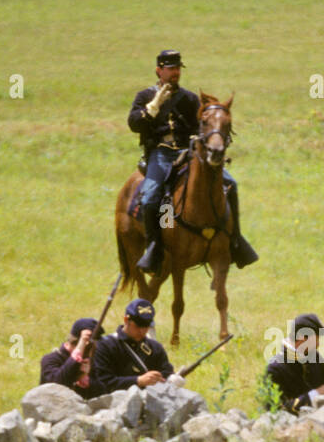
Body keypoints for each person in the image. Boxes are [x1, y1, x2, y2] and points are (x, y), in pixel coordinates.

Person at [128, 49, 257, 272]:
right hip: (160, 154)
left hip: (186, 153)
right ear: (159, 70)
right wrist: (154, 106)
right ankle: (155, 247)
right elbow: (134, 124)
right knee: (150, 197)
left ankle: (236, 240)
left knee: (231, 184)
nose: (175, 72)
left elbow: (198, 129)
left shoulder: (188, 98)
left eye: (177, 68)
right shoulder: (144, 97)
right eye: (170, 69)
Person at [264, 313, 324, 413]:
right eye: (316, 339)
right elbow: (277, 409)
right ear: (302, 338)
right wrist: (316, 394)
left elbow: (323, 380)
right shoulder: (274, 369)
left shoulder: (314, 357)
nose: (318, 344)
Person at [90, 299, 180, 394]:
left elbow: (166, 372)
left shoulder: (155, 347)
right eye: (138, 326)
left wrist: (172, 379)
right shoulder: (105, 346)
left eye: (146, 326)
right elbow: (103, 381)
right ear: (126, 320)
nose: (142, 331)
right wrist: (138, 381)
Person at [40, 317, 99, 395]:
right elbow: (57, 384)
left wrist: (87, 381)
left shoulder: (89, 360)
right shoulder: (50, 359)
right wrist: (75, 362)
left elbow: (104, 390)